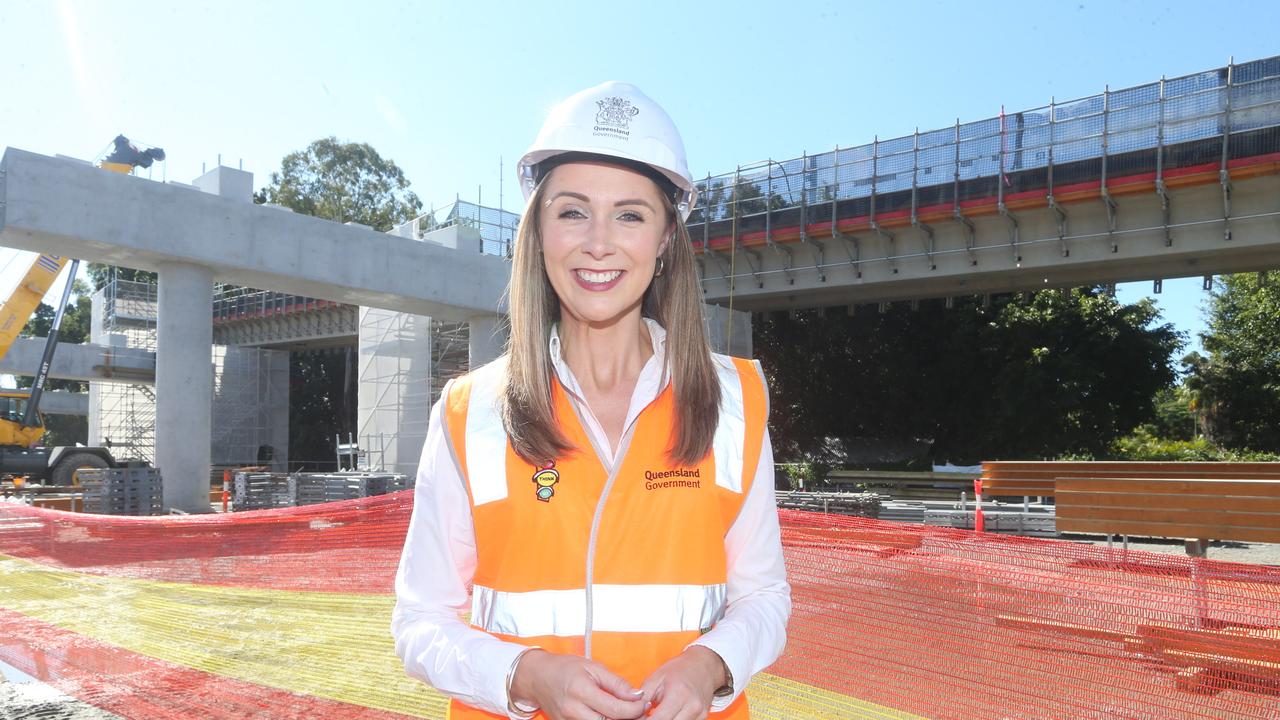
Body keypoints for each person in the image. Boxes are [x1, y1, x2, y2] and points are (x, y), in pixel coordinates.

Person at [392, 81, 790, 720]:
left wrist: (708, 666)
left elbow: (764, 598)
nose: (599, 242)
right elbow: (419, 620)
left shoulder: (734, 401)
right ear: (539, 233)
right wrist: (523, 674)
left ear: (664, 241)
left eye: (631, 214)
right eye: (572, 211)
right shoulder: (471, 412)